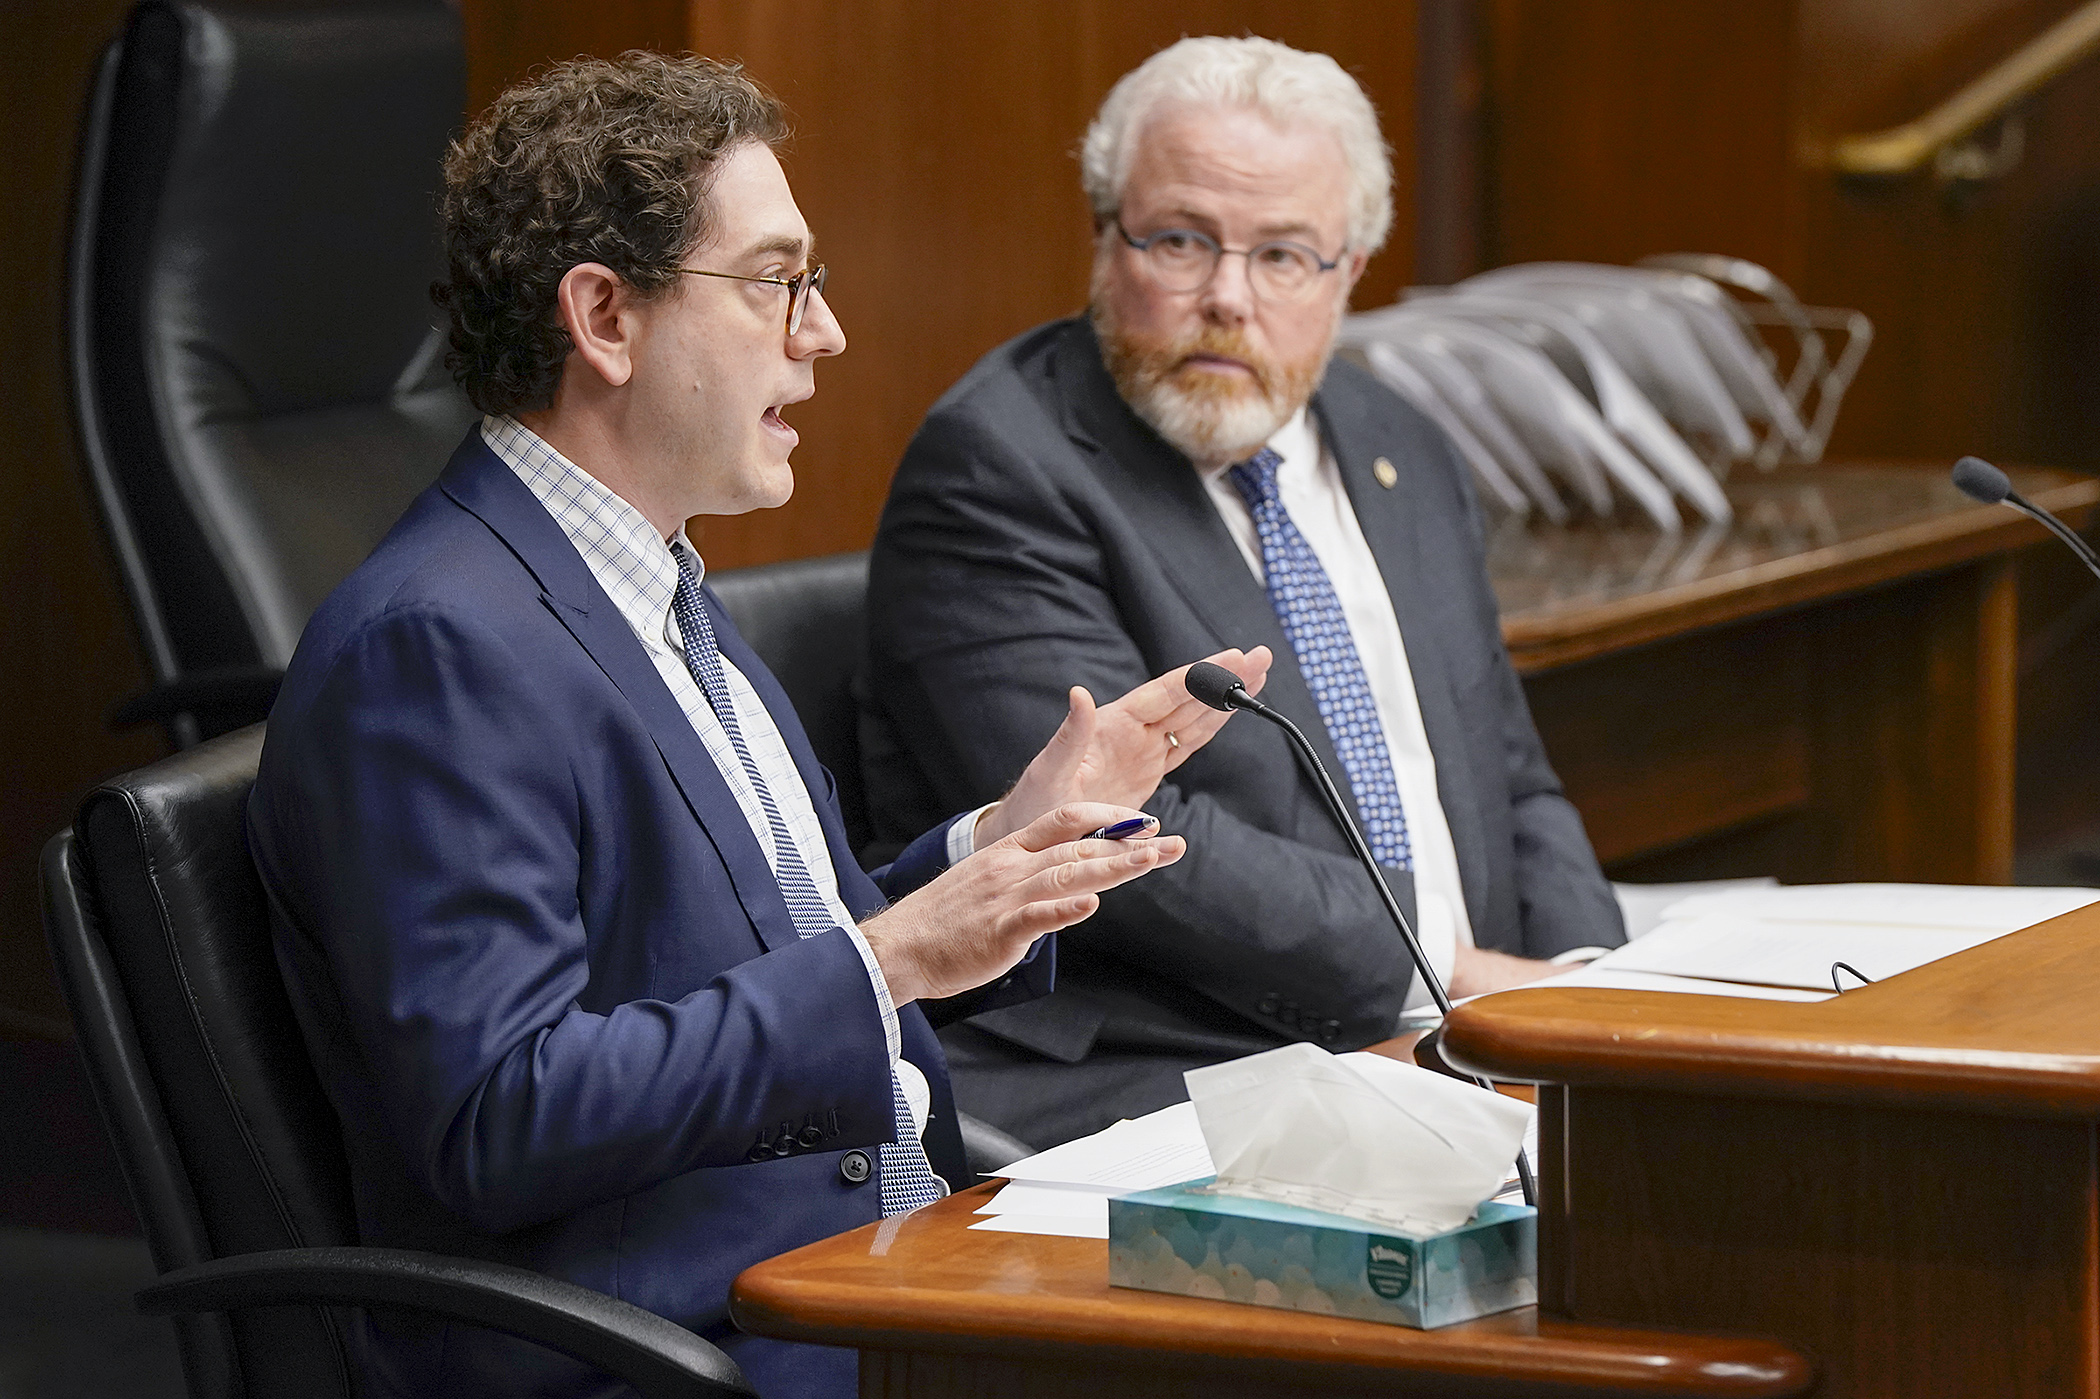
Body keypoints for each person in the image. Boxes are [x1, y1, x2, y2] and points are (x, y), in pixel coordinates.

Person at [246, 53, 1265, 1399]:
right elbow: (502, 1112)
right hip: (687, 1344)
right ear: (605, 316)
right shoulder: (434, 647)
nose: (823, 331)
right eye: (778, 280)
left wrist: (1000, 856)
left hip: (866, 1269)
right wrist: (895, 957)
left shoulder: (651, 583)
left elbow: (776, 953)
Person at [861, 36, 1626, 1151]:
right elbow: (1121, 835)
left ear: (1350, 269)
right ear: (1103, 237)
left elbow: (1504, 765)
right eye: (1179, 241)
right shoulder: (998, 465)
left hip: (1455, 1037)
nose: (1227, 297)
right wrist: (1449, 975)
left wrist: (1590, 989)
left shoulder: (1394, 440)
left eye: (1282, 256)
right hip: (1173, 1058)